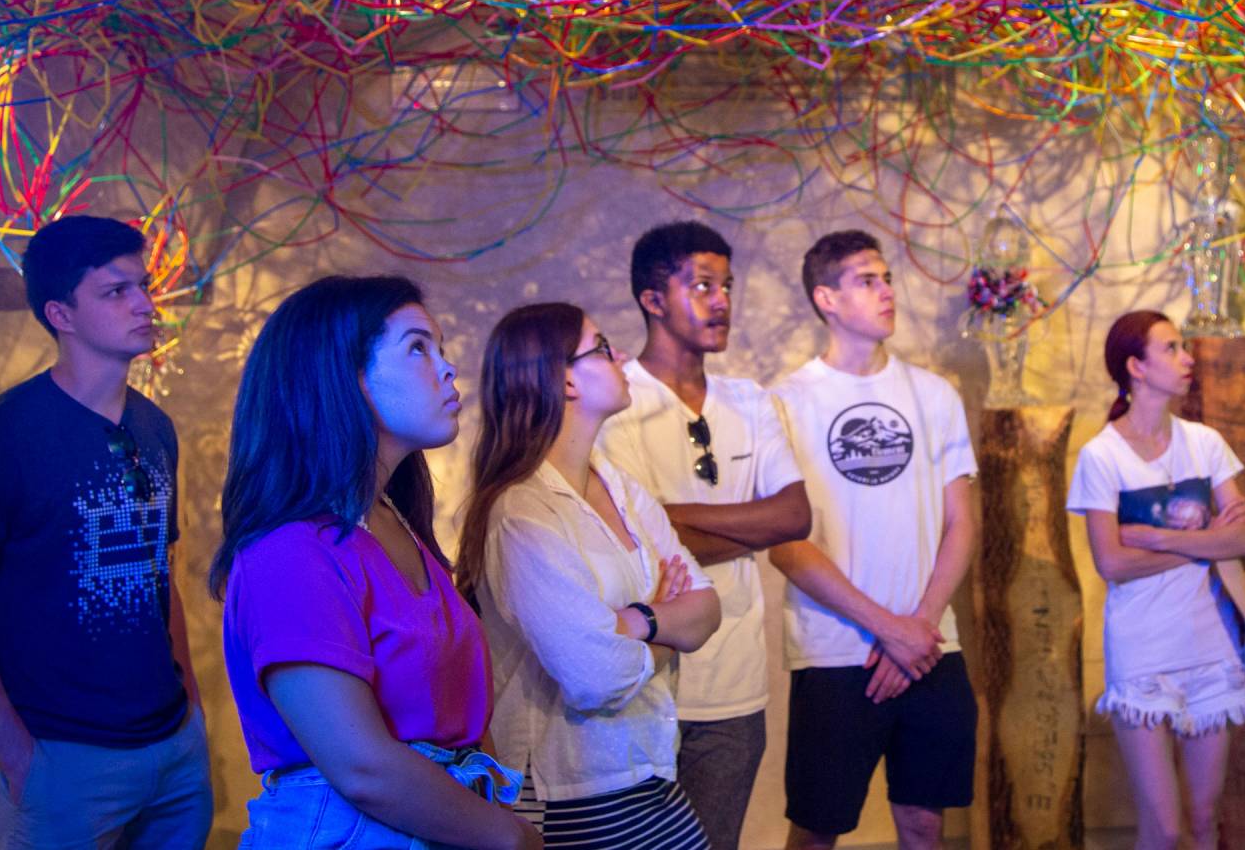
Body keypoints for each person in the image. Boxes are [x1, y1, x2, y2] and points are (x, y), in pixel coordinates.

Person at [0, 215, 212, 849]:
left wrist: (190, 706)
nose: (144, 304)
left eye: (142, 286)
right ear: (61, 314)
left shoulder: (155, 426)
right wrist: (19, 759)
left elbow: (158, 574)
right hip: (61, 758)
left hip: (172, 748)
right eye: (116, 291)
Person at [213, 275, 537, 850]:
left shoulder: (394, 521)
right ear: (344, 376)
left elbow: (458, 722)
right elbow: (361, 767)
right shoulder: (290, 551)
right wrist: (510, 837)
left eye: (440, 348)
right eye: (418, 348)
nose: (448, 369)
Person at [458, 303, 721, 850]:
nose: (620, 354)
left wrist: (635, 621)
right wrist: (665, 626)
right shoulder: (521, 513)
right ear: (565, 381)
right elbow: (595, 678)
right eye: (601, 346)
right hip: (573, 787)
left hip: (647, 766)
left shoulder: (618, 485)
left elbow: (705, 608)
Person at [597, 222, 811, 850]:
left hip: (736, 688)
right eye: (702, 286)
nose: (721, 301)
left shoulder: (751, 400)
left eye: (727, 286)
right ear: (652, 299)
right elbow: (636, 543)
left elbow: (794, 517)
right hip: (646, 686)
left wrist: (670, 518)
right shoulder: (618, 400)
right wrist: (750, 525)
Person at [767, 230, 979, 850]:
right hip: (835, 651)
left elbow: (962, 522)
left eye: (887, 278)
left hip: (933, 645)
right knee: (817, 828)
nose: (887, 291)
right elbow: (786, 543)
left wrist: (919, 627)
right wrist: (888, 629)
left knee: (924, 825)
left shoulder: (935, 394)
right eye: (867, 280)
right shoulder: (785, 402)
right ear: (826, 299)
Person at [1066, 310, 1245, 850]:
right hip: (1143, 651)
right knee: (1164, 829)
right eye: (1171, 348)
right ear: (1135, 367)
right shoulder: (1102, 455)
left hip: (1211, 648)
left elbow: (1242, 540)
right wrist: (1203, 542)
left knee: (1203, 821)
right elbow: (1112, 563)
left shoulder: (1205, 442)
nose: (1187, 358)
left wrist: (1156, 537)